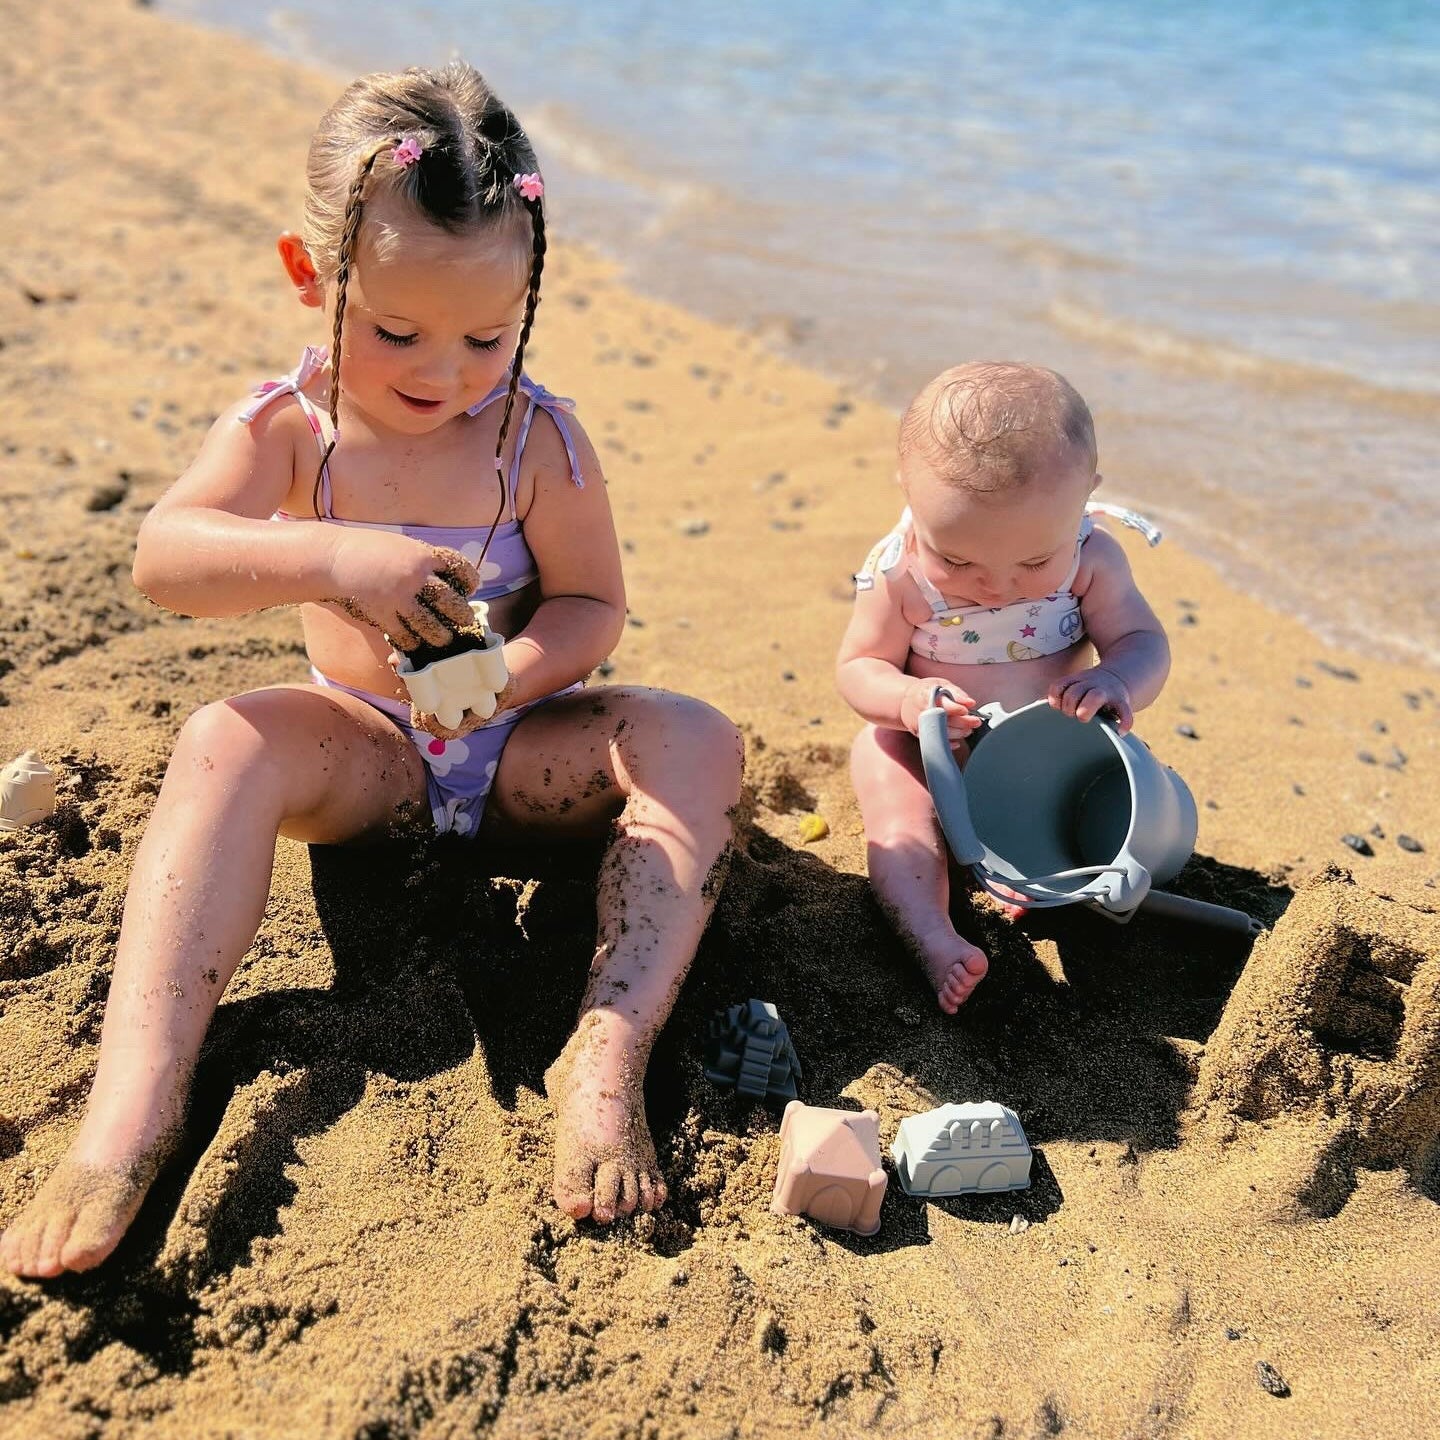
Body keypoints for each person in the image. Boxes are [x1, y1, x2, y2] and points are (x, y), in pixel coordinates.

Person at [1, 63, 742, 1278]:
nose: (444, 373)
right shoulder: (291, 427)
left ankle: (605, 1056)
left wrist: (511, 675)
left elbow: (593, 604)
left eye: (487, 337)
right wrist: (334, 555)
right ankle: (131, 1109)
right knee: (223, 739)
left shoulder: (537, 439)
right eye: (398, 331)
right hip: (370, 755)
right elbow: (164, 558)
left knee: (697, 739)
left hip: (523, 758)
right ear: (311, 274)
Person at [836, 362, 1169, 1014]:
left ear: (1086, 496)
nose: (995, 586)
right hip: (932, 753)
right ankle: (931, 934)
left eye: (1034, 561)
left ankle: (1036, 871)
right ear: (908, 491)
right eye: (957, 560)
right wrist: (907, 702)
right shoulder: (901, 575)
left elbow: (1144, 642)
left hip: (1046, 763)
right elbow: (859, 666)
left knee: (1118, 801)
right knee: (888, 783)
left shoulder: (1092, 559)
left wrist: (1115, 678)